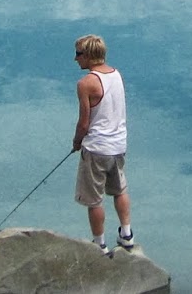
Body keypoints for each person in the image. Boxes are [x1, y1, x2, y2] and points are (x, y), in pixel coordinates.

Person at [71, 34, 134, 255]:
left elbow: (84, 122)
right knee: (120, 190)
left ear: (88, 55)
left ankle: (100, 244)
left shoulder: (85, 84)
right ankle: (127, 234)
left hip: (96, 149)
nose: (75, 59)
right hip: (118, 146)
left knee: (94, 200)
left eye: (78, 54)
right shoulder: (116, 74)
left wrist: (77, 142)